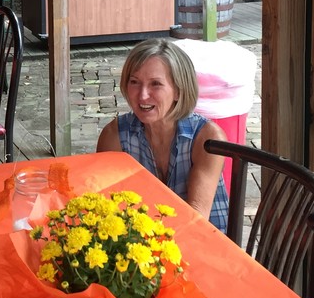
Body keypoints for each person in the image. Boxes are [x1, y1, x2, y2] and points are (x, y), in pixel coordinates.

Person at [97, 38, 229, 232]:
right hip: (140, 244)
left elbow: (197, 219)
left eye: (156, 84)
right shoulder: (114, 136)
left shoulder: (206, 138)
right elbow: (108, 209)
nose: (142, 95)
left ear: (178, 91)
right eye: (134, 82)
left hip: (202, 242)